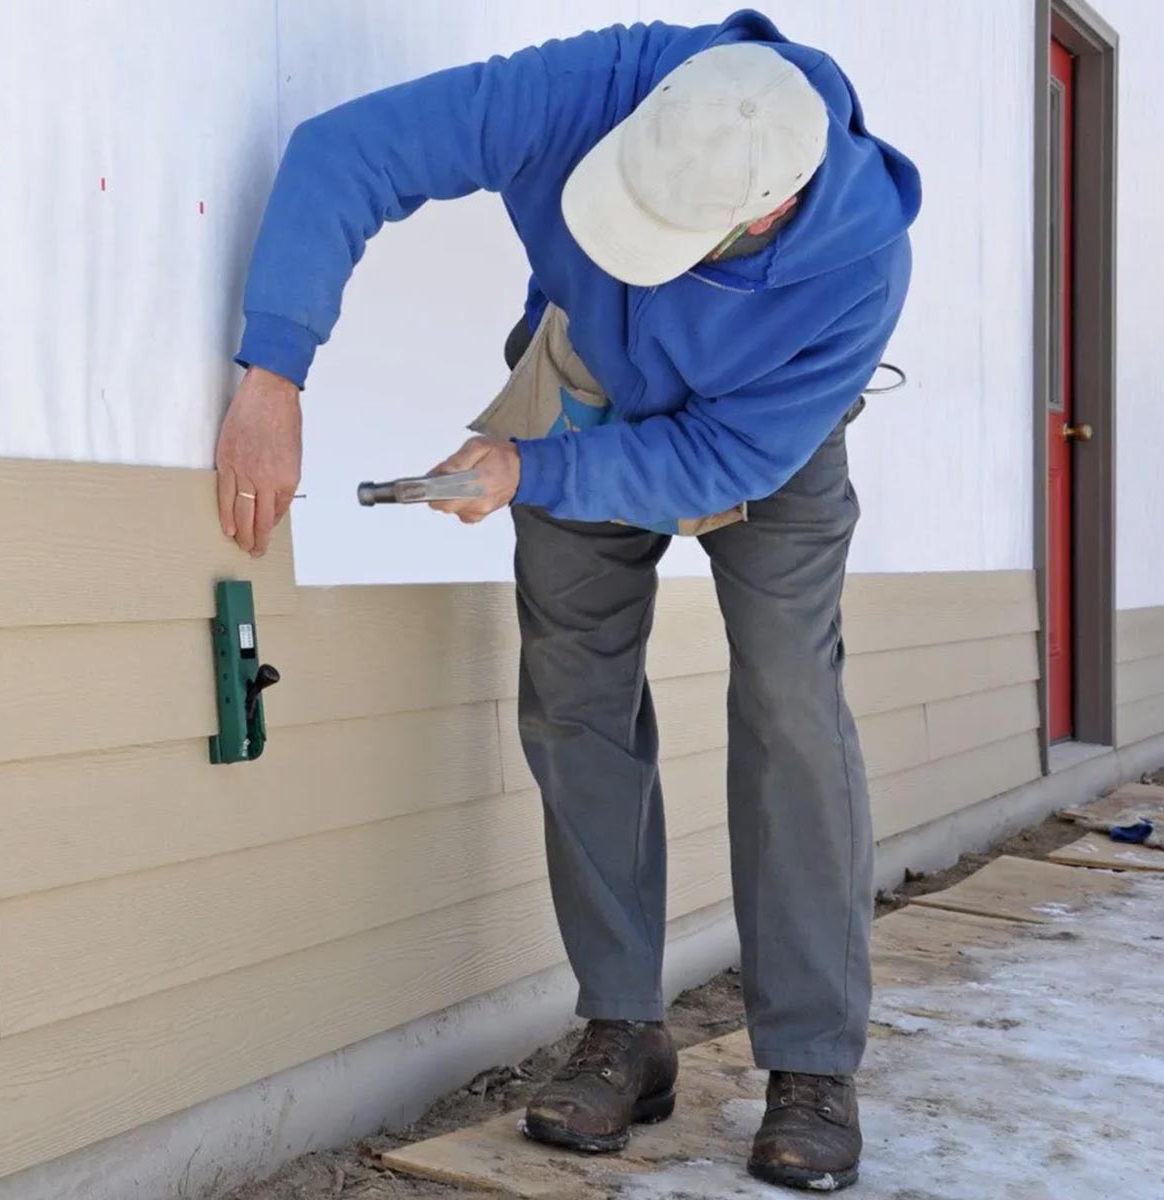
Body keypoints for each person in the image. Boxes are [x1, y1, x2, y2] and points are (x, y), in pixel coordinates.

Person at [213, 9, 917, 1193]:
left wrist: (529, 472)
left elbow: (721, 463)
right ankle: (624, 1033)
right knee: (573, 697)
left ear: (766, 215)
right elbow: (348, 151)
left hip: (763, 443)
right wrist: (272, 369)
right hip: (584, 373)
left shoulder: (858, 266)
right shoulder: (597, 83)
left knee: (793, 706)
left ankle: (809, 1065)